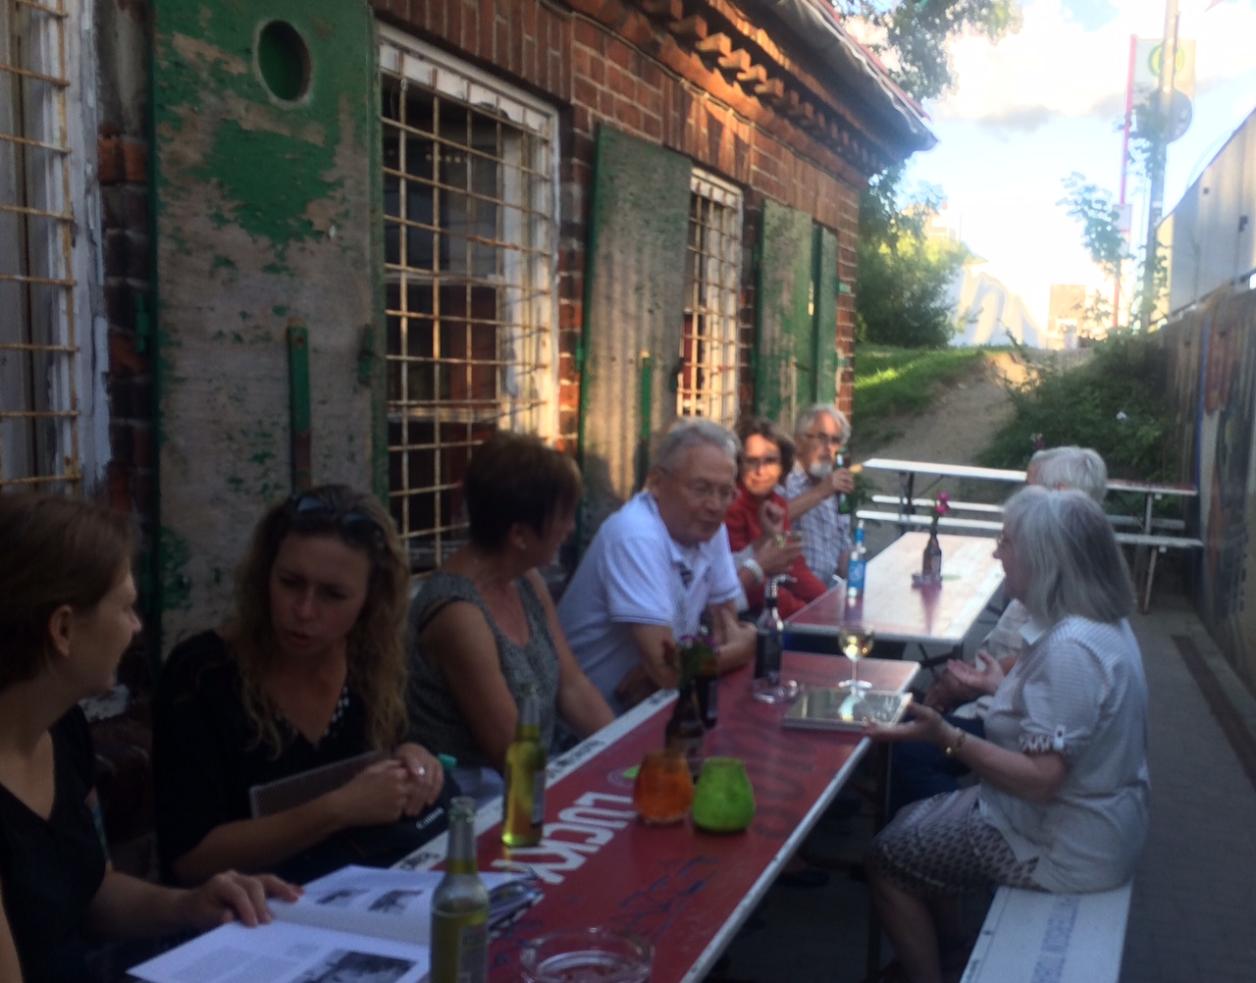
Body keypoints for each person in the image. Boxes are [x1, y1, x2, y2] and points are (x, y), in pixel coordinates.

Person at [0, 494, 297, 983]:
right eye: (127, 608)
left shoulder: (62, 729)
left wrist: (190, 905)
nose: (136, 629)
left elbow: (92, 891)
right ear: (64, 629)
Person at [866, 487, 1149, 983]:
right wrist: (1000, 687)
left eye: (1007, 541)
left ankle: (928, 971)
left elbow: (1043, 780)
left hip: (1060, 847)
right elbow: (1070, 717)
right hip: (1085, 824)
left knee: (886, 856)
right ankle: (949, 951)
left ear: (1044, 560)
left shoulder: (1072, 648)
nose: (997, 551)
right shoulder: (1098, 624)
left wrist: (946, 736)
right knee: (913, 817)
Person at [154, 485, 448, 886]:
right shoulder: (203, 675)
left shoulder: (369, 662)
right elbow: (189, 859)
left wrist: (412, 755)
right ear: (265, 575)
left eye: (333, 594)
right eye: (291, 582)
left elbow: (392, 742)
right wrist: (337, 810)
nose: (304, 611)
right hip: (243, 924)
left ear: (370, 599)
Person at [407, 432, 615, 803]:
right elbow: (511, 753)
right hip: (471, 802)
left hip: (533, 778)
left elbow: (573, 687)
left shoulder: (525, 580)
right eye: (562, 517)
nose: (570, 529)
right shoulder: (459, 615)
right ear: (519, 534)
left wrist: (628, 756)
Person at [559, 419, 756, 713]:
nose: (715, 505)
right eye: (701, 488)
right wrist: (740, 652)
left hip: (654, 706)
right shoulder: (635, 535)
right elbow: (671, 669)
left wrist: (670, 670)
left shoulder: (706, 526)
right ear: (656, 483)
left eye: (725, 492)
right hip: (594, 727)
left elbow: (724, 622)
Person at [723, 416, 827, 618]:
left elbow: (793, 565)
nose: (760, 471)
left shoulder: (776, 504)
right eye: (751, 461)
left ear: (783, 467)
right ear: (738, 465)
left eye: (770, 461)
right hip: (741, 614)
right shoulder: (731, 506)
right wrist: (807, 615)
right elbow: (753, 587)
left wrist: (826, 605)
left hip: (773, 607)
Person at [781, 404, 857, 585]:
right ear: (799, 442)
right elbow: (776, 518)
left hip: (825, 591)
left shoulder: (833, 488)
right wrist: (821, 492)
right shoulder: (784, 480)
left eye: (835, 441)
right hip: (791, 592)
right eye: (822, 438)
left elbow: (842, 556)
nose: (828, 448)